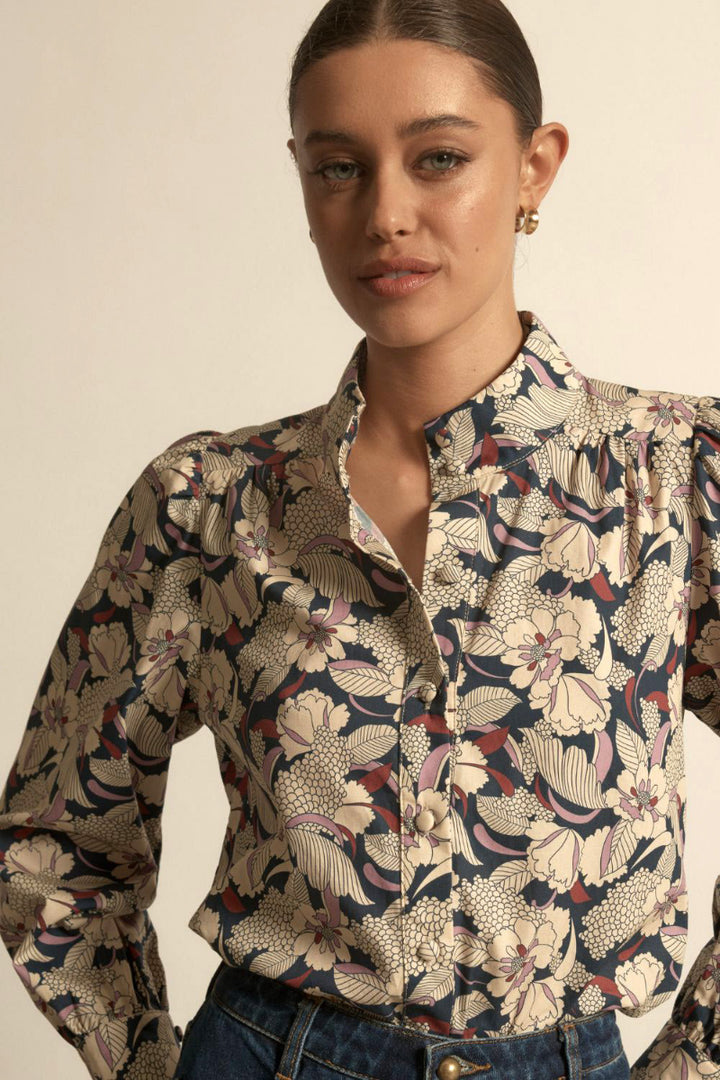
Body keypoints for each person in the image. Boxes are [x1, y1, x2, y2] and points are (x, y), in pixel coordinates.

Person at [1, 0, 719, 1078]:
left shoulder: (673, 482)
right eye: (339, 168)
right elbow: (56, 840)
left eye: (438, 158)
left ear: (535, 168)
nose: (385, 213)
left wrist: (692, 1064)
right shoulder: (207, 506)